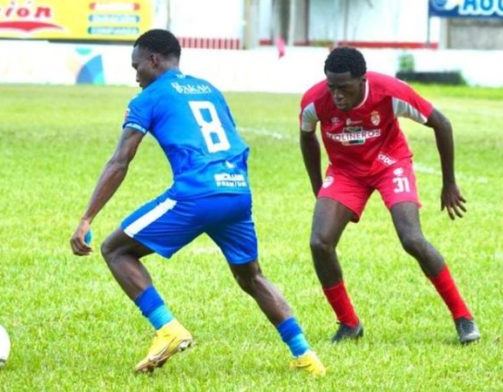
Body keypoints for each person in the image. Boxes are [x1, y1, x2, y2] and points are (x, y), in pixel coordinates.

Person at [70, 29, 325, 376]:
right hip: (237, 191)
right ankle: (307, 358)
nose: (135, 76)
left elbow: (120, 161)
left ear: (154, 60)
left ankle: (167, 329)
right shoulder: (209, 90)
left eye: (137, 66)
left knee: (115, 249)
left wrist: (87, 218)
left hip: (196, 194)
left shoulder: (148, 98)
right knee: (252, 276)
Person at [299, 46, 481, 345]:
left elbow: (442, 123)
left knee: (412, 239)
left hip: (389, 163)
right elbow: (307, 136)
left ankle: (463, 317)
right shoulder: (314, 100)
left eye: (344, 88)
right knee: (320, 242)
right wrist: (318, 187)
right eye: (332, 87)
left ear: (362, 80)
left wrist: (449, 183)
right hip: (345, 171)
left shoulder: (390, 92)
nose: (337, 96)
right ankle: (349, 324)